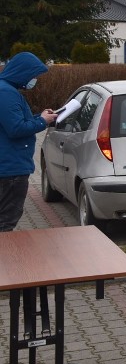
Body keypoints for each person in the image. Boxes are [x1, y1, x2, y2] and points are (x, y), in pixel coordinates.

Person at [0, 52, 57, 231]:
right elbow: (16, 128)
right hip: (11, 170)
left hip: (10, 167)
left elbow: (14, 121)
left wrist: (39, 117)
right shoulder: (6, 93)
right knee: (6, 222)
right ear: (21, 72)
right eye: (32, 75)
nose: (34, 80)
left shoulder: (7, 90)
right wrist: (42, 122)